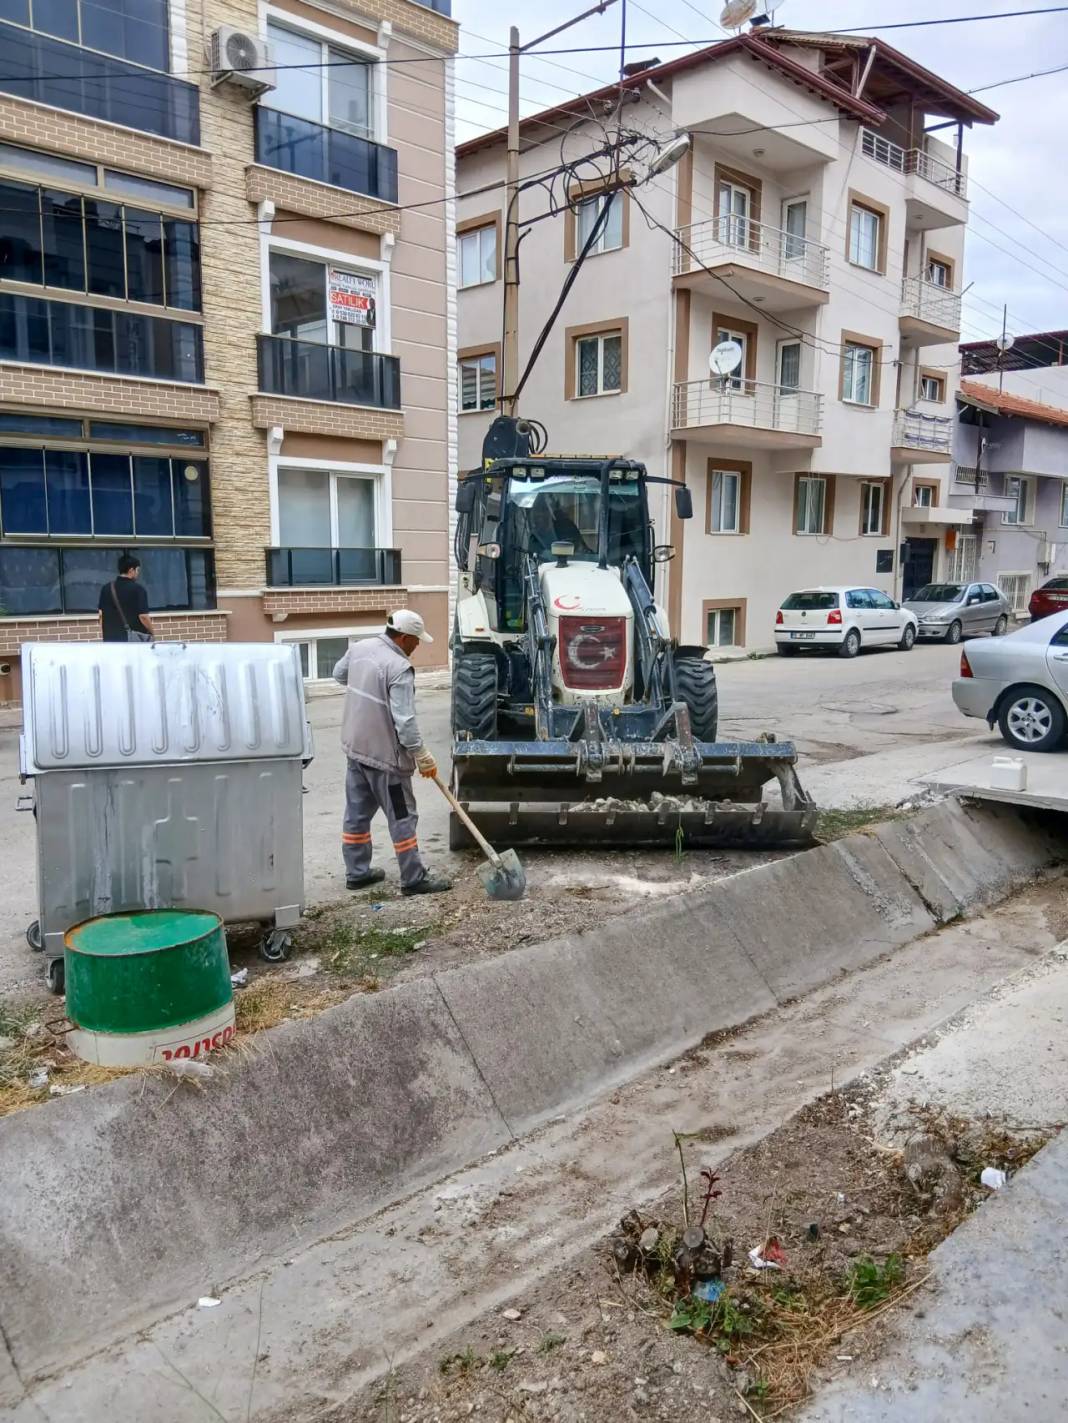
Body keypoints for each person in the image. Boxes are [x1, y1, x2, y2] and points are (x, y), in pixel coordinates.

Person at [333, 609, 452, 896]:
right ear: (403, 637)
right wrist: (421, 755)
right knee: (402, 817)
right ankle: (413, 879)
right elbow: (405, 722)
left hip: (356, 750)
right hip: (386, 760)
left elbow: (339, 675)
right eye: (416, 640)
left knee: (357, 815)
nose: (418, 645)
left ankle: (357, 873)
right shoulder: (398, 667)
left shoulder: (360, 648)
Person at [98, 554, 155, 643]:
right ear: (131, 570)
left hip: (110, 640)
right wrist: (153, 632)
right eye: (137, 570)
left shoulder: (106, 588)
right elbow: (143, 617)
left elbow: (101, 615)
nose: (138, 573)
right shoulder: (138, 589)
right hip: (132, 641)